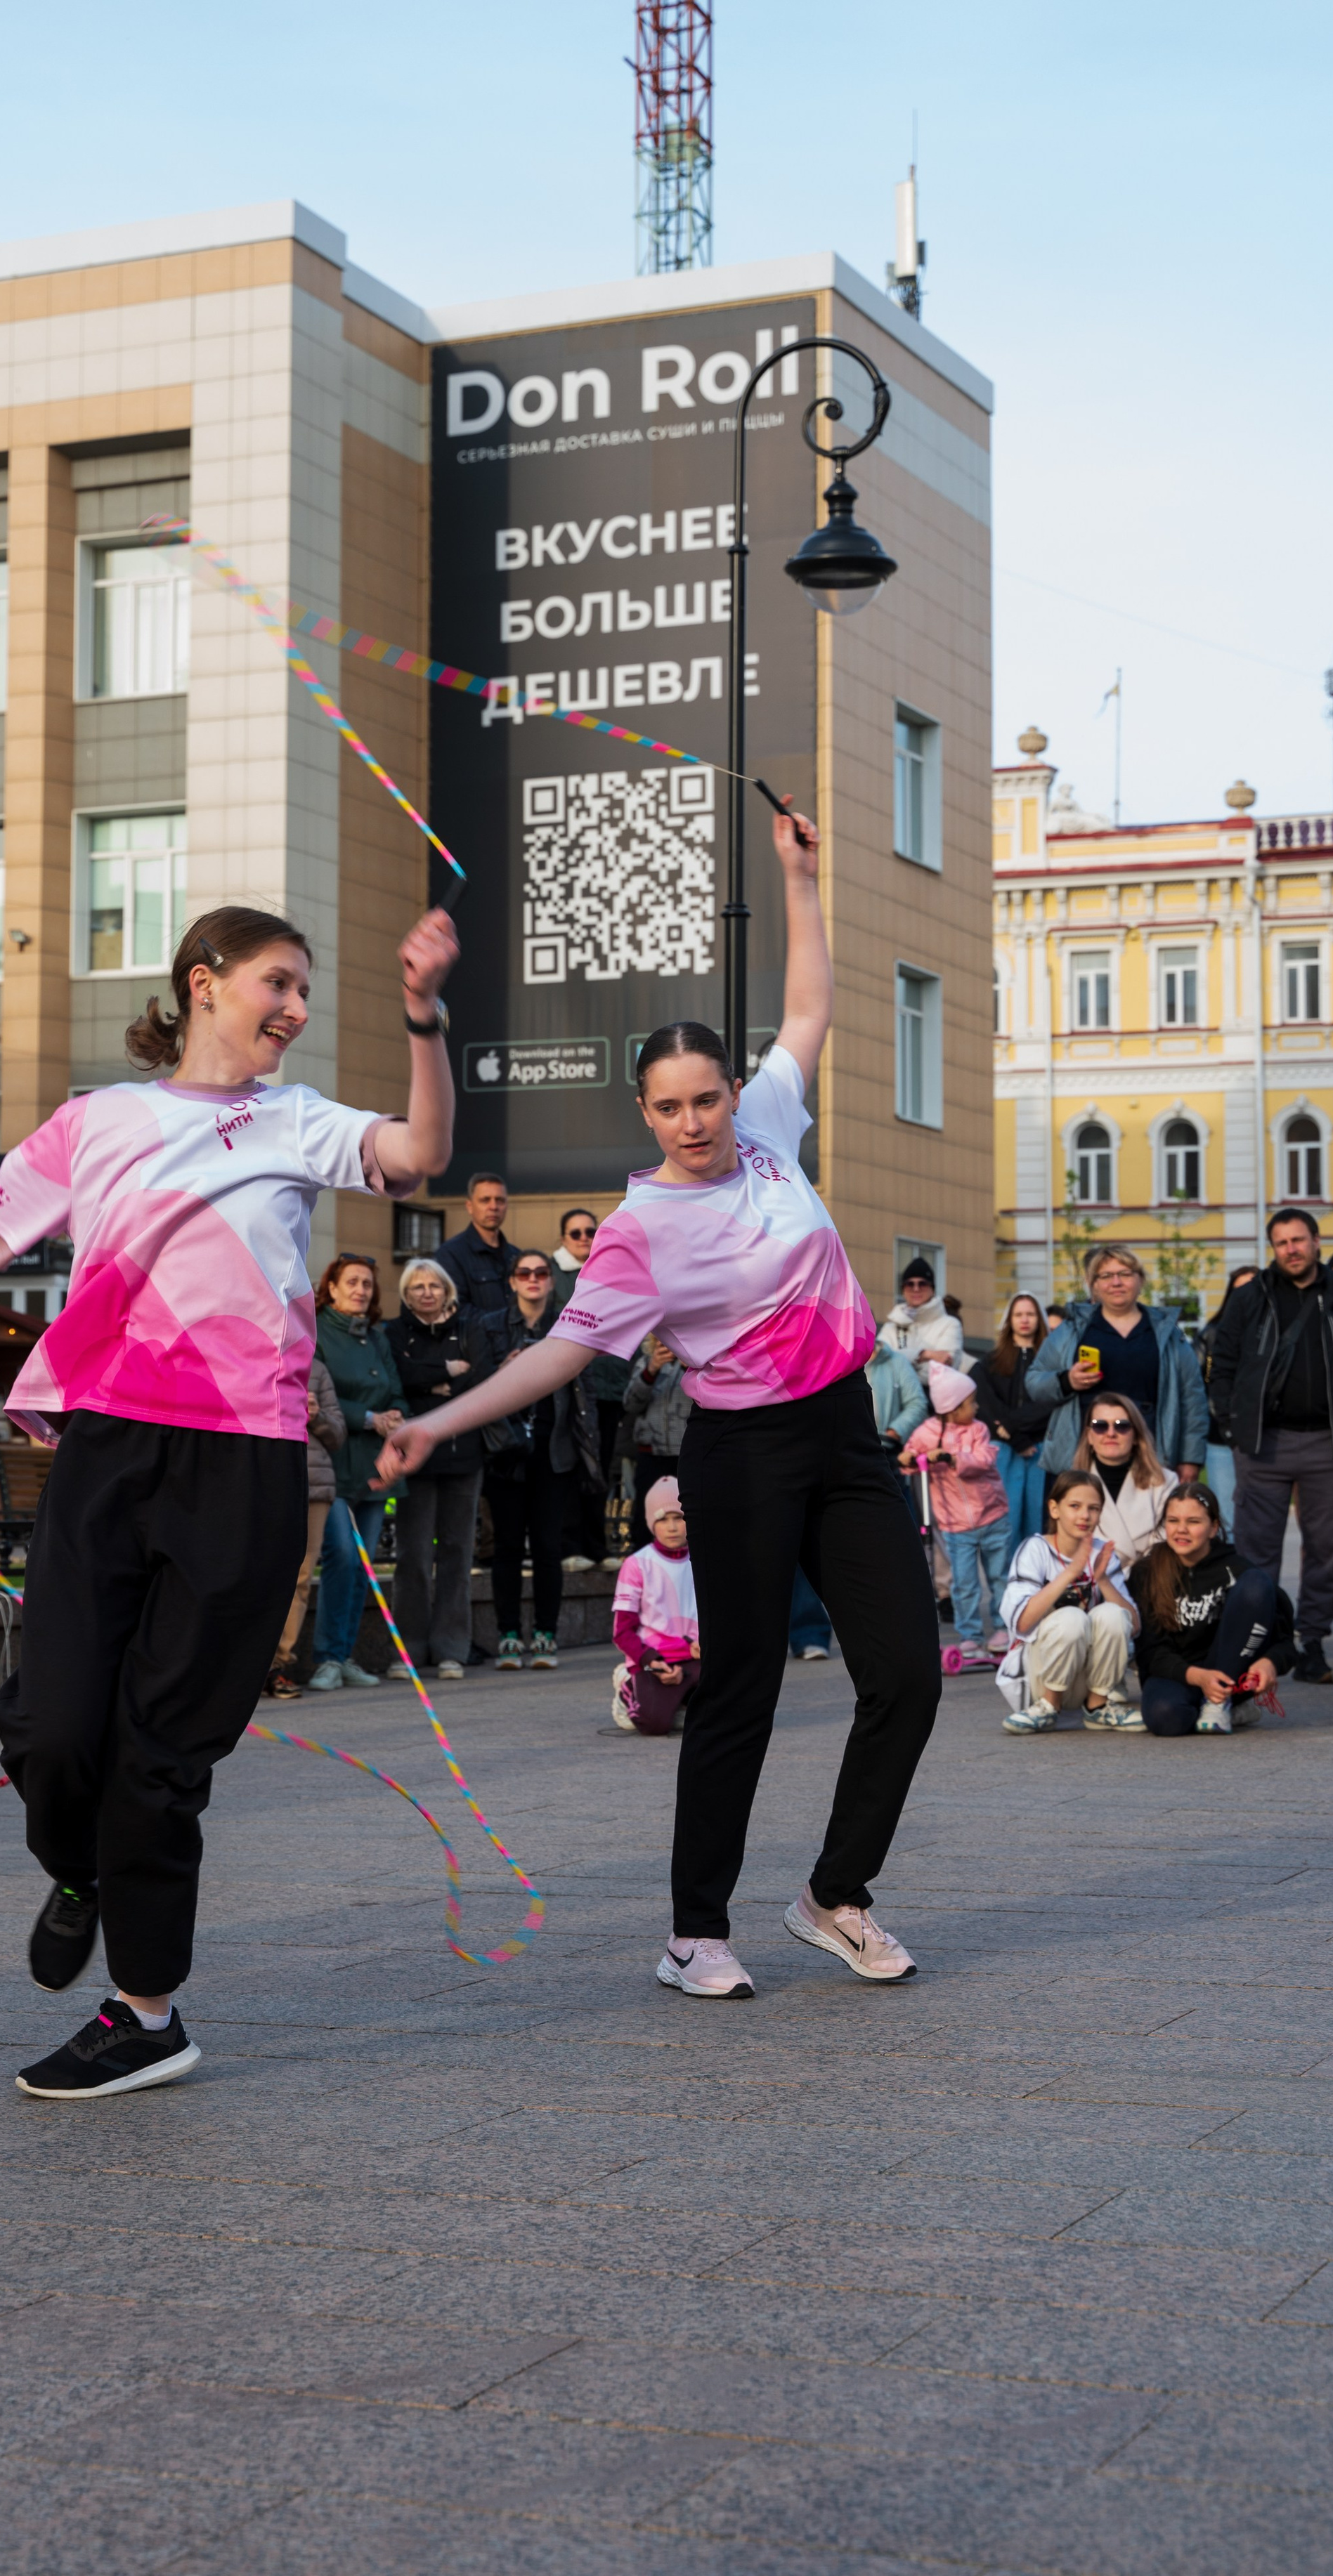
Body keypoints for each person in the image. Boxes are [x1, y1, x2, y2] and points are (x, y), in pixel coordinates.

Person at [0, 896, 457, 2102]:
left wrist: (425, 1018)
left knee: (160, 1753)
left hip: (242, 1460)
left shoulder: (295, 1120)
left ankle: (146, 2009)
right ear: (204, 981)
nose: (294, 1009)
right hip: (109, 1447)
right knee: (47, 1729)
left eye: (305, 990)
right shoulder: (100, 1119)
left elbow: (419, 1157)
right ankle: (81, 1869)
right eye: (277, 984)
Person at [380, 792, 941, 1999]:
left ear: (734, 1092)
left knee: (909, 1671)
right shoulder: (638, 1230)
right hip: (741, 1454)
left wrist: (799, 875)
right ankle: (696, 1929)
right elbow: (560, 1355)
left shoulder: (776, 1130)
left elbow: (810, 1007)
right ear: (645, 1111)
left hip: (848, 1433)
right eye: (670, 1105)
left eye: (709, 1096)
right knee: (737, 1690)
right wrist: (434, 1418)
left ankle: (836, 1892)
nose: (695, 1119)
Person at [1207, 1208, 1333, 1685]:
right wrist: (1231, 1424)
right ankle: (1265, 1641)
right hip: (1262, 1444)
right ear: (1273, 1248)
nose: (1291, 1249)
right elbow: (1222, 1361)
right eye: (1281, 1242)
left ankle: (1311, 1641)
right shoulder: (1251, 1298)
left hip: (1330, 1445)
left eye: (1299, 1240)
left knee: (1326, 1550)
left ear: (1316, 1241)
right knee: (1255, 1550)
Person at [483, 1246, 598, 1671]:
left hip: (555, 1452)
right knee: (508, 1547)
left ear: (551, 1280)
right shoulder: (493, 1327)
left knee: (549, 1549)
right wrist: (503, 1370)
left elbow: (584, 1396)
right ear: (512, 1281)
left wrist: (591, 1454)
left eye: (541, 1273)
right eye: (524, 1273)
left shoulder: (570, 1326)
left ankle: (546, 1635)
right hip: (506, 1453)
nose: (533, 1279)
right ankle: (509, 1635)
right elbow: (478, 1388)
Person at [385, 1256, 495, 1679]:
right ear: (406, 1294)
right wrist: (444, 1374)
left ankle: (452, 1647)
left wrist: (431, 1385)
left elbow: (481, 1381)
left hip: (464, 1457)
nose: (426, 1293)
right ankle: (408, 1651)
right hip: (414, 1461)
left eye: (434, 1286)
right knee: (412, 1555)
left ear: (448, 1291)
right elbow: (401, 1375)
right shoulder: (394, 1333)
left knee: (456, 1553)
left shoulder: (470, 1329)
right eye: (417, 1287)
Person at [1027, 1243, 1207, 1482]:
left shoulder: (1167, 1335)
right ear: (1094, 1285)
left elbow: (1192, 1400)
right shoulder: (1072, 1332)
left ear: (1140, 1280)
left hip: (1150, 1455)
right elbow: (1034, 1382)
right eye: (1106, 1276)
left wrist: (1190, 1459)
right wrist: (1067, 1381)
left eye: (1125, 1274)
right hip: (1082, 1456)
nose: (1116, 1283)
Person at [308, 1253, 405, 1692]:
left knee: (363, 1563)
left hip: (376, 1466)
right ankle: (327, 1657)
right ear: (331, 1288)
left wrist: (398, 1416)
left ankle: (345, 1656)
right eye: (352, 1282)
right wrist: (370, 1417)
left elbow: (396, 1389)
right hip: (335, 1464)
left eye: (367, 1283)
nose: (361, 1291)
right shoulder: (318, 1332)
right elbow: (318, 1395)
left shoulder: (378, 1337)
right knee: (342, 1556)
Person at [1129, 1483, 1292, 1736]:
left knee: (1257, 1585)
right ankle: (1228, 1711)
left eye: (1193, 1521)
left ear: (1214, 1527)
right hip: (1181, 1673)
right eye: (1173, 1520)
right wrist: (1200, 1678)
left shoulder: (1238, 1570)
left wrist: (1270, 1662)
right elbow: (1150, 1653)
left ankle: (1219, 1703)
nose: (1181, 1529)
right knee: (1165, 1718)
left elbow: (1286, 1642)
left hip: (1232, 1672)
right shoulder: (1146, 1572)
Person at [996, 1470, 1143, 1734]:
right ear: (1054, 1509)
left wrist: (1103, 1581)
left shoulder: (1102, 1553)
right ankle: (1047, 1707)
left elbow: (1133, 1625)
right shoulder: (1035, 1549)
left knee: (1113, 1614)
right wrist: (1070, 1573)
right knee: (1071, 1618)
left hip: (1086, 1677)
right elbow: (1022, 1622)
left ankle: (1098, 1707)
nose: (1084, 1516)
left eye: (1093, 1508)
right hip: (1040, 1676)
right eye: (1074, 1506)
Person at [900, 1364, 1013, 1669]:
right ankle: (971, 1636)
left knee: (999, 1577)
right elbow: (908, 1457)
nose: (975, 1407)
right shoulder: (928, 1433)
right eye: (970, 1402)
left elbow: (985, 1459)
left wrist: (952, 1459)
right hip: (955, 1524)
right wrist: (910, 1458)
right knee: (963, 1583)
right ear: (951, 1408)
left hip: (991, 1515)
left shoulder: (978, 1429)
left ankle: (1004, 1629)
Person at [265, 1355, 345, 1700]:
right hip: (261, 1478)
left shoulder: (317, 1368)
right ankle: (241, 1666)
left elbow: (338, 1434)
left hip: (313, 1484)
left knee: (299, 1578)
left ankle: (277, 1666)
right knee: (250, 1573)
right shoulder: (242, 1351)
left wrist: (317, 1416)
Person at [552, 1208, 627, 1560]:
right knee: (573, 1465)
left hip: (611, 1391)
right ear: (563, 1238)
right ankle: (570, 1547)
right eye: (576, 1233)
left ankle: (598, 1548)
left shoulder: (611, 1269)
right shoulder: (553, 1274)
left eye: (589, 1232)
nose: (584, 1238)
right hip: (574, 1389)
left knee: (603, 1466)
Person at [611, 1476, 701, 1736]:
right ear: (651, 1523)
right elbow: (622, 1632)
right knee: (653, 1725)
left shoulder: (703, 1561)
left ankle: (682, 1703)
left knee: (733, 1714)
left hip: (696, 1659)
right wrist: (651, 1661)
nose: (672, 1527)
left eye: (679, 1517)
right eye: (663, 1519)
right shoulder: (637, 1565)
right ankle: (628, 1688)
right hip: (656, 1661)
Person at [973, 1293, 1053, 1550]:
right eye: (1019, 1315)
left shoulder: (1051, 1361)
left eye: (1030, 1314)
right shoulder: (992, 1361)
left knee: (1037, 1518)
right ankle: (1009, 1583)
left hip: (1039, 1449)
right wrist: (1013, 1436)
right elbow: (984, 1402)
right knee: (1008, 1517)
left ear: (1039, 1319)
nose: (1025, 1320)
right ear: (1010, 1320)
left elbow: (1051, 1402)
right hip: (1006, 1450)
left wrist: (1016, 1428)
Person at [1068, 1390, 1178, 1562]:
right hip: (1088, 1580)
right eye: (1100, 1426)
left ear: (1136, 1435)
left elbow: (1165, 1547)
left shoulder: (1166, 1483)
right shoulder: (1070, 1486)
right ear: (1089, 1436)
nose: (1111, 1433)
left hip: (1148, 1579)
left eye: (1122, 1426)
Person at [1197, 1264, 1257, 1534]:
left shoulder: (1277, 1334)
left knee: (1262, 1519)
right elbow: (1200, 1387)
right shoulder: (1212, 1333)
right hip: (1220, 1438)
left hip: (1268, 1439)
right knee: (1227, 1516)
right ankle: (1233, 1574)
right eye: (1240, 1289)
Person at [620, 1332, 691, 1548]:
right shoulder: (645, 1362)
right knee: (645, 1516)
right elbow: (630, 1404)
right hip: (651, 1453)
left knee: (687, 1515)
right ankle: (643, 1563)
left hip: (686, 1453)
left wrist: (688, 1366)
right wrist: (651, 1370)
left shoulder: (698, 1363)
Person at [434, 1175, 519, 1341]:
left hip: (518, 1350)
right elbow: (455, 1308)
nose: (494, 1207)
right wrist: (506, 1325)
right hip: (475, 1351)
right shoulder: (450, 1254)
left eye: (500, 1200)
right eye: (485, 1200)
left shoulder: (516, 1256)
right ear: (470, 1206)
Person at [879, 1260, 965, 1368]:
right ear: (903, 1290)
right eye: (910, 1284)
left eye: (922, 1284)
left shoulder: (950, 1325)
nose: (916, 1289)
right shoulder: (890, 1328)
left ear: (932, 1289)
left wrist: (897, 1361)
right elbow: (878, 1363)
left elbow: (944, 1369)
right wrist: (925, 1355)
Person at [865, 1336, 928, 1458]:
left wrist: (895, 1432)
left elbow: (917, 1404)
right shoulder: (837, 1361)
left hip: (885, 1452)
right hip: (844, 1452)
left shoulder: (896, 1361)